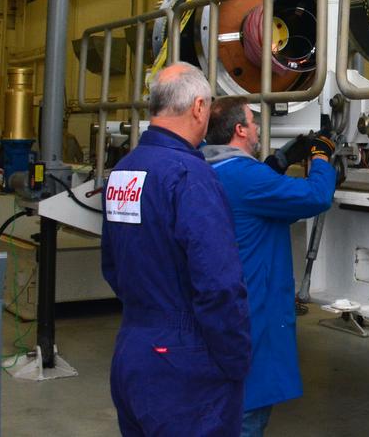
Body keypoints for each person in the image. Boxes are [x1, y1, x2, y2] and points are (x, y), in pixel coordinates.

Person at [101, 63, 251, 437]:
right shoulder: (190, 177)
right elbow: (218, 285)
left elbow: (112, 266)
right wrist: (235, 360)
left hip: (132, 350)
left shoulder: (125, 170)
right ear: (199, 107)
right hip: (183, 365)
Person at [202, 97, 338, 437]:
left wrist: (277, 163)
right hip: (253, 311)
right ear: (239, 130)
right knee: (246, 414)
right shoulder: (246, 177)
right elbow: (315, 198)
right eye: (253, 121)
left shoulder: (205, 167)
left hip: (220, 308)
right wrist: (321, 156)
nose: (259, 127)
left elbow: (258, 203)